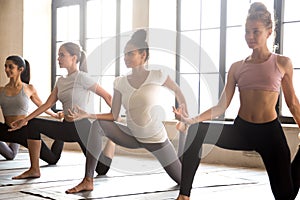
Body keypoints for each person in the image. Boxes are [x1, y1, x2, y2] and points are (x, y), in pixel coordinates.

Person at [173, 2, 300, 200]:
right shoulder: (237, 67)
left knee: (286, 196)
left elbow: (292, 103)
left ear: (269, 31)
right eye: (247, 31)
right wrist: (192, 120)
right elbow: (222, 105)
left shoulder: (282, 63)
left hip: (270, 134)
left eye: (255, 31)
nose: (250, 36)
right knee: (197, 131)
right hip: (242, 130)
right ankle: (184, 195)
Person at [64, 29, 189, 194]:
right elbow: (113, 115)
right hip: (131, 135)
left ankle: (182, 132)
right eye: (124, 54)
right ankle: (88, 180)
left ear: (143, 55)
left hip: (156, 139)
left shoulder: (158, 75)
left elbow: (179, 92)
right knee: (98, 125)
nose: (126, 58)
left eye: (130, 54)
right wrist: (88, 115)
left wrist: (183, 113)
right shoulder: (120, 82)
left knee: (184, 181)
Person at [9, 42, 115, 179]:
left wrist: (113, 116)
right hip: (67, 127)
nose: (58, 58)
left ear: (74, 58)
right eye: (58, 55)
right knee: (33, 124)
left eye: (62, 55)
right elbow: (47, 104)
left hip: (83, 128)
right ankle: (34, 169)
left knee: (101, 169)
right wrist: (25, 120)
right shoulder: (61, 81)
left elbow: (107, 96)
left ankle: (113, 139)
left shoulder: (82, 77)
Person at [0, 55, 64, 163]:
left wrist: (55, 115)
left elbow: (42, 105)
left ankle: (61, 134)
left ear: (20, 69)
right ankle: (11, 149)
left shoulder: (29, 88)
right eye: (5, 66)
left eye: (10, 67)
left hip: (25, 131)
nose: (6, 69)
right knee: (10, 155)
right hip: (7, 129)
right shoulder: (1, 90)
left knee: (53, 159)